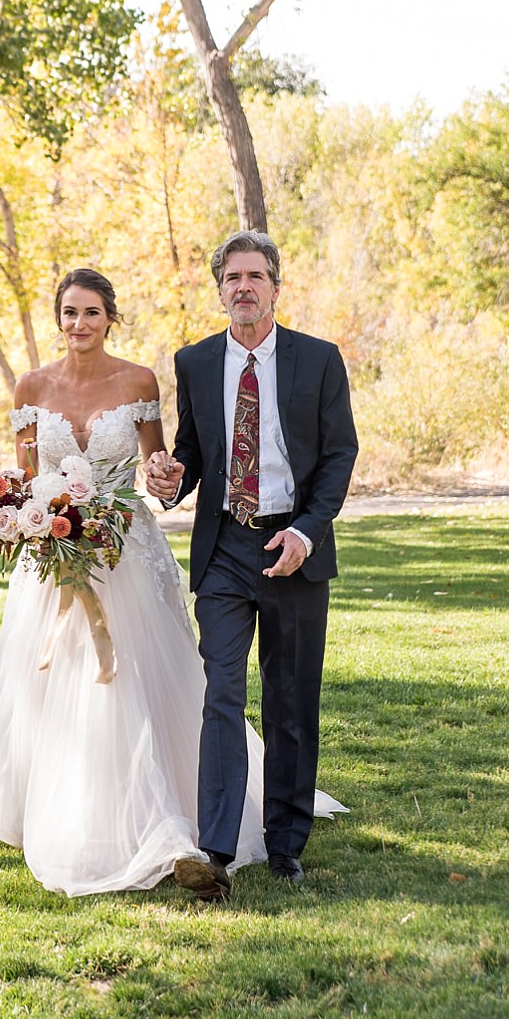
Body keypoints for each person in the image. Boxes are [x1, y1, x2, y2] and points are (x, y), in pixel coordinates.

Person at [0, 266, 340, 898]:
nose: (78, 324)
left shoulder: (140, 379)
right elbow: (26, 474)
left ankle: (208, 826)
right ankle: (85, 817)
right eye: (68, 313)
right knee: (74, 688)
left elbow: (162, 463)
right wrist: (13, 515)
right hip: (54, 558)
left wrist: (164, 481)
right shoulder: (30, 386)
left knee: (146, 685)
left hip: (125, 551)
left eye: (90, 312)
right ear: (56, 319)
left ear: (111, 316)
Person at [144, 231, 358, 900]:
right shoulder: (196, 360)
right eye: (232, 276)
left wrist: (307, 530)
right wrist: (168, 478)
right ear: (219, 289)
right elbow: (192, 454)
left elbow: (338, 457)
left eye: (255, 275)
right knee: (222, 696)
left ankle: (287, 844)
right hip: (226, 550)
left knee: (292, 701)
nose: (244, 286)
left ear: (275, 285)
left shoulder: (318, 360)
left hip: (293, 546)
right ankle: (214, 848)